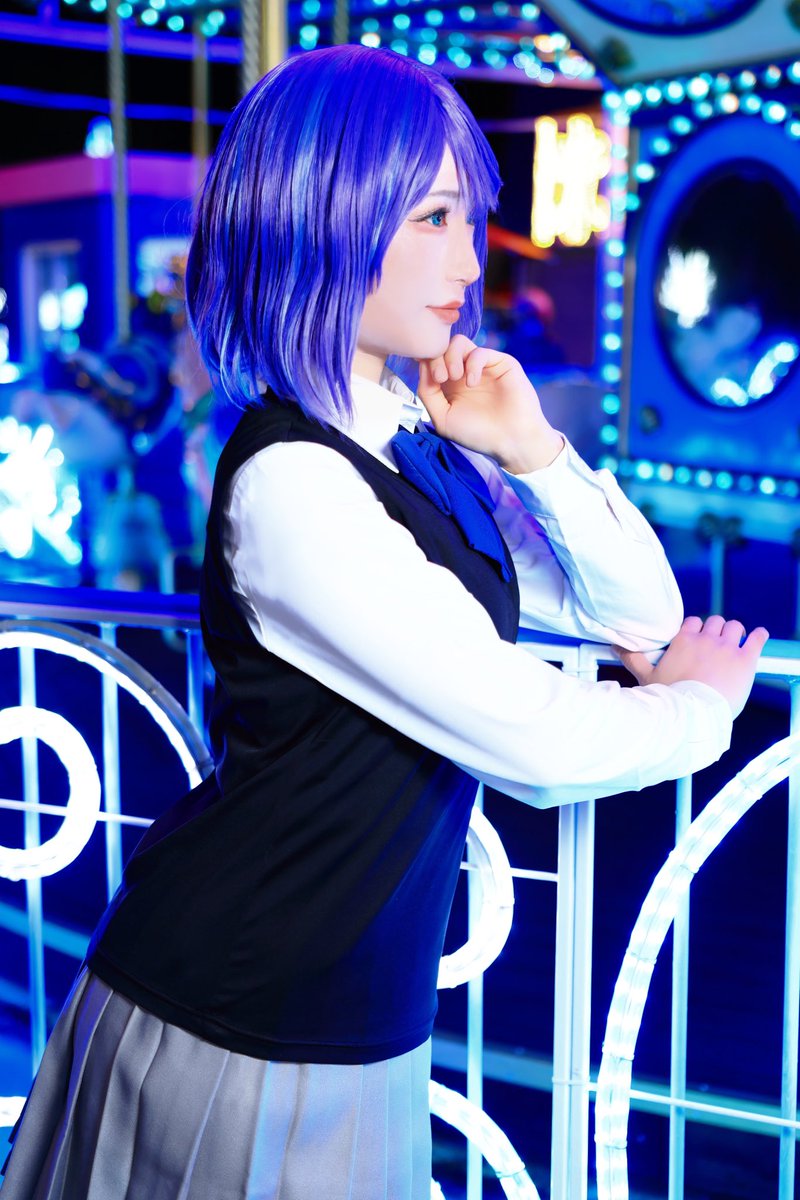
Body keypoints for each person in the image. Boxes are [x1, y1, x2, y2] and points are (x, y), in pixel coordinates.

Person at [1, 45, 767, 1200]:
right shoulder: (293, 480)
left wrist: (532, 450)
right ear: (326, 224)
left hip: (352, 1016)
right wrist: (698, 712)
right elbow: (535, 740)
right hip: (237, 1016)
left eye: (468, 217)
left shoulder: (408, 434)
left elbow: (636, 611)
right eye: (433, 217)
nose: (468, 258)